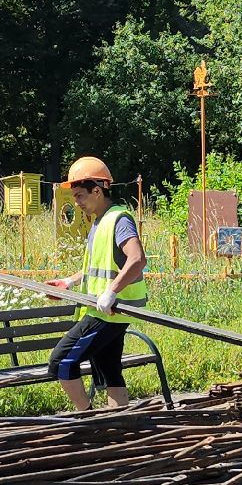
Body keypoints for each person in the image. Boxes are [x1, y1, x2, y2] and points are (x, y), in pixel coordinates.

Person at [46, 157, 148, 410]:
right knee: (110, 370)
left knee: (61, 362)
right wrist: (69, 282)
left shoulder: (119, 219)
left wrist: (111, 292)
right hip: (106, 311)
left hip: (107, 312)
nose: (77, 203)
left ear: (97, 191)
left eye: (80, 196)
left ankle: (87, 418)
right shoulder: (99, 221)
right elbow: (96, 269)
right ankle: (119, 423)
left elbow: (137, 259)